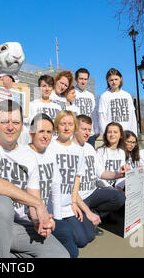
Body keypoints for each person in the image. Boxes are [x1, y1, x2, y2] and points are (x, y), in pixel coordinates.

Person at [0, 100, 69, 258]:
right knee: (1, 202)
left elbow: (33, 200)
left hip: (16, 225)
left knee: (61, 255)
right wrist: (38, 204)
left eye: (16, 122)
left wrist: (40, 220)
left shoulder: (29, 156)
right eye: (4, 121)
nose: (10, 127)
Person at [49, 110, 101, 258]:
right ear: (56, 126)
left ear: (74, 127)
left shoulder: (79, 150)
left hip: (68, 205)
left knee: (85, 239)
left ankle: (63, 232)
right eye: (62, 124)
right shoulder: (50, 146)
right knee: (71, 240)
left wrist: (73, 202)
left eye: (70, 124)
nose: (66, 128)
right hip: (51, 206)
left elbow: (77, 178)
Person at [72, 115, 126, 236]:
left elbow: (101, 173)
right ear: (75, 128)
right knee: (86, 237)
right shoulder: (69, 149)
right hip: (78, 197)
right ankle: (88, 217)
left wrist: (120, 174)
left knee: (120, 197)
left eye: (89, 130)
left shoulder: (90, 148)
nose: (87, 133)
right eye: (83, 129)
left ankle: (93, 214)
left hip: (92, 192)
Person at [123, 130, 144, 215]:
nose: (132, 145)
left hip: (135, 185)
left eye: (134, 142)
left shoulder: (134, 155)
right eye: (129, 142)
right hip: (124, 185)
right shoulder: (120, 153)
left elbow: (139, 175)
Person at [98, 68, 137, 135]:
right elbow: (102, 118)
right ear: (107, 81)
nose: (114, 82)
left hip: (126, 134)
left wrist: (134, 135)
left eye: (116, 79)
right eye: (111, 80)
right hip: (112, 135)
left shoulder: (127, 95)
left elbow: (132, 117)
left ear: (120, 79)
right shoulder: (104, 96)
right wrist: (106, 134)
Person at [24, 75, 61, 144]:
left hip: (54, 144)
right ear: (38, 88)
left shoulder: (58, 107)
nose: (47, 89)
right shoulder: (31, 105)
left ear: (52, 88)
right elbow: (26, 127)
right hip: (37, 144)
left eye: (49, 86)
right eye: (44, 86)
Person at [96, 122, 128, 189]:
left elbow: (122, 175)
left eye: (115, 132)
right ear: (106, 135)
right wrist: (111, 189)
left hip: (117, 187)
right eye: (109, 132)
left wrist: (118, 187)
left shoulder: (122, 152)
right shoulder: (100, 152)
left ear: (121, 135)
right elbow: (98, 175)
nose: (112, 134)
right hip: (103, 188)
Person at [74, 68, 98, 146]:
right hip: (75, 133)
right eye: (81, 79)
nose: (83, 82)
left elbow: (94, 114)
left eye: (85, 79)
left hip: (89, 135)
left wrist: (96, 130)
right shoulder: (71, 93)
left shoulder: (90, 95)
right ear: (76, 79)